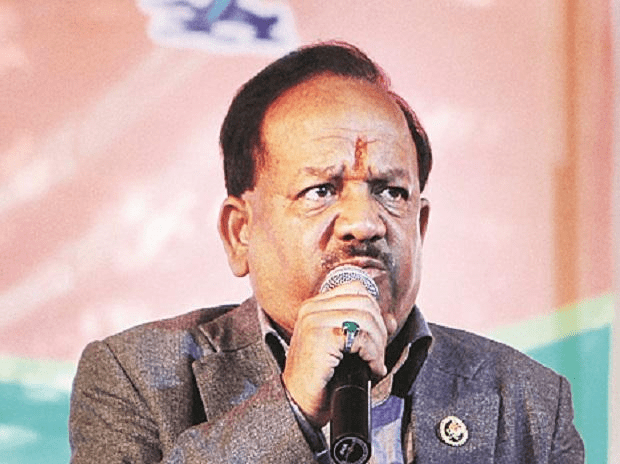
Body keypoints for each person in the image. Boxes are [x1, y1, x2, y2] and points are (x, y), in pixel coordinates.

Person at [69, 41, 584, 463]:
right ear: (240, 232)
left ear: (421, 225)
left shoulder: (529, 404)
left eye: (391, 192)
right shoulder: (136, 376)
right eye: (321, 190)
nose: (364, 224)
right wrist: (288, 409)